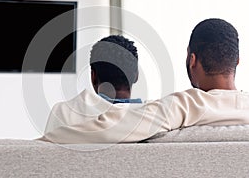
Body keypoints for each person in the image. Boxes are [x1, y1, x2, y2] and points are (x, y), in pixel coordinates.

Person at [42, 18, 249, 144]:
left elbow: (109, 129)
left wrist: (44, 142)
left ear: (192, 60)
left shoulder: (185, 106)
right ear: (237, 62)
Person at [42, 35, 142, 134]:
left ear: (93, 76)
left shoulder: (63, 113)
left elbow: (46, 149)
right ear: (136, 75)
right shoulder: (151, 122)